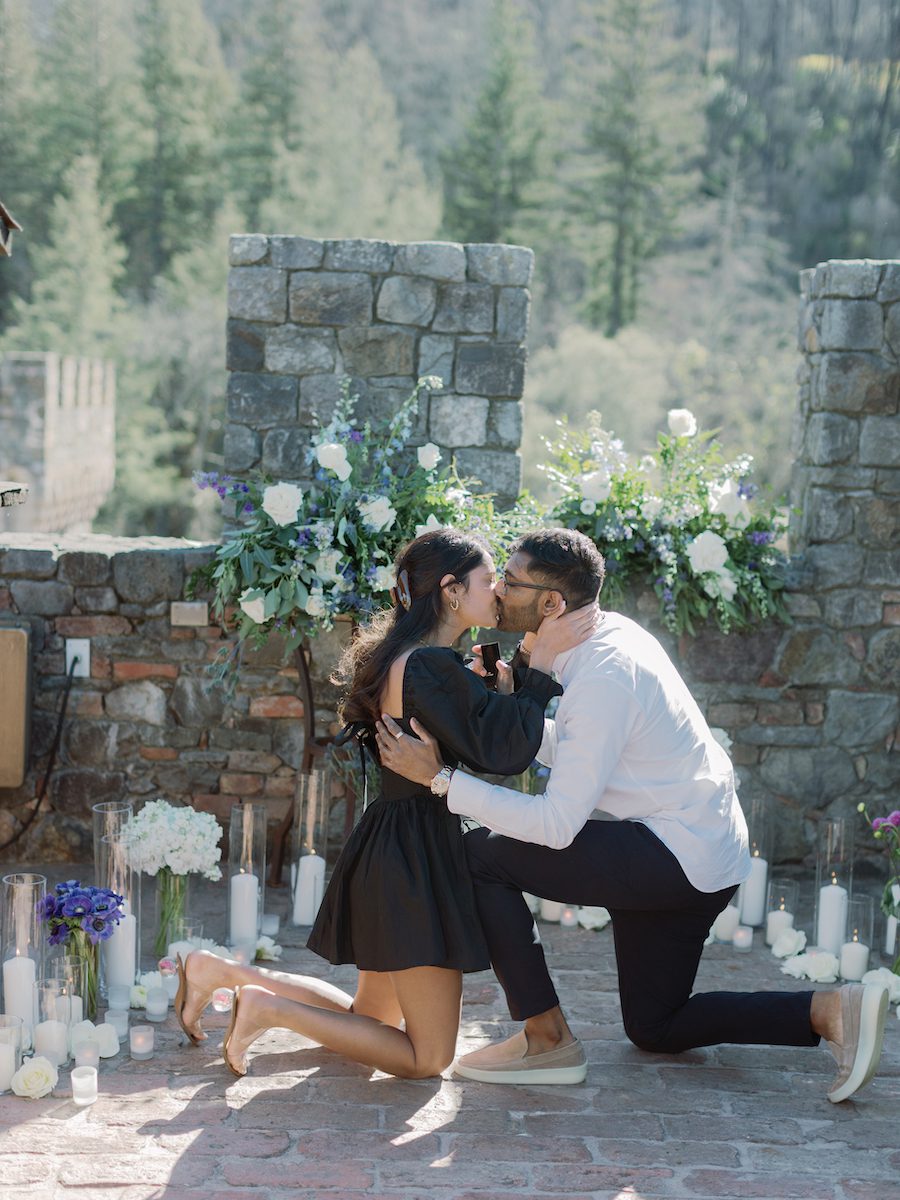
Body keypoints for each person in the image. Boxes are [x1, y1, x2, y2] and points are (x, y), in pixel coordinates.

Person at [376, 527, 891, 1102]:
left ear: (552, 604)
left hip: (676, 853)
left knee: (480, 855)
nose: (497, 588)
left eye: (512, 581)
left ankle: (546, 1039)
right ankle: (830, 1011)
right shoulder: (608, 633)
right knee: (655, 1026)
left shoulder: (604, 674)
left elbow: (556, 824)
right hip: (700, 852)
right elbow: (583, 746)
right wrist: (517, 687)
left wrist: (443, 781)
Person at [174, 527, 595, 1079]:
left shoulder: (413, 655)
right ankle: (265, 1007)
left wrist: (507, 677)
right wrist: (537, 670)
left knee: (366, 1016)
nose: (496, 591)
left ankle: (219, 973)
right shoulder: (428, 666)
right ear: (450, 590)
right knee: (429, 1057)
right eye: (488, 580)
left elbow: (482, 731)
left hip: (392, 845)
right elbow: (506, 752)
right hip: (417, 858)